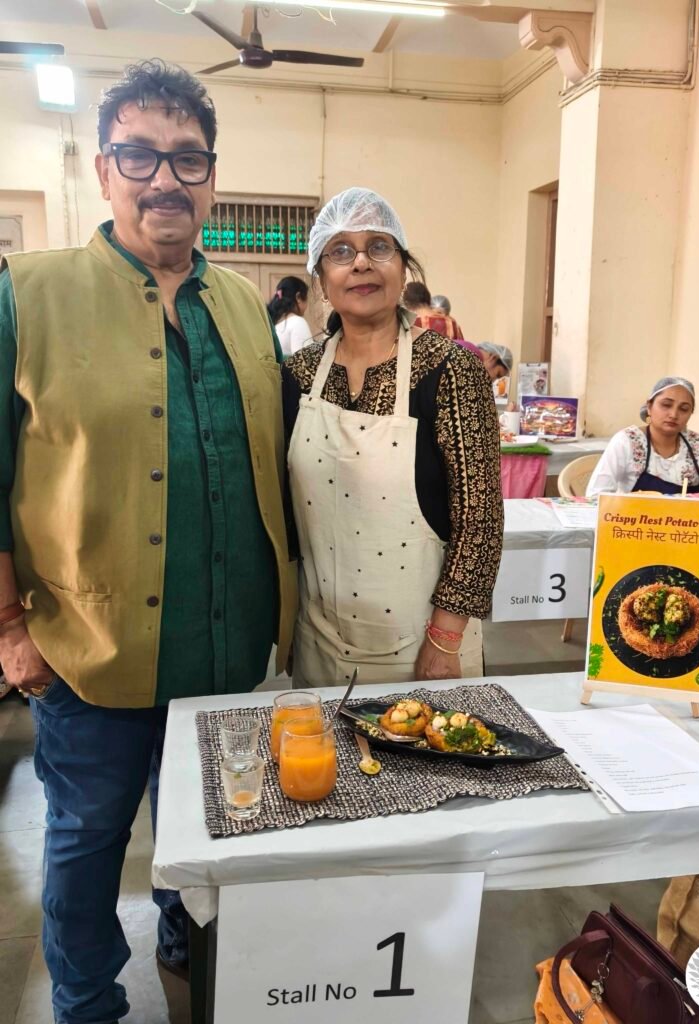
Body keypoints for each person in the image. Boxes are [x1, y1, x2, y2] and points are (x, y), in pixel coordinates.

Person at [0, 60, 296, 1024]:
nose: (164, 179)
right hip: (88, 652)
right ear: (102, 168)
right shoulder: (24, 295)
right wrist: (11, 626)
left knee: (201, 830)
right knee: (85, 847)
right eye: (139, 155)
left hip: (225, 647)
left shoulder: (247, 308)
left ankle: (185, 944)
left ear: (211, 175)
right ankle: (86, 1001)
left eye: (186, 158)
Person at [282, 187, 503, 686]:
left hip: (423, 645)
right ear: (320, 278)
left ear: (404, 268)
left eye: (378, 247)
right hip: (319, 639)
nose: (360, 263)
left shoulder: (451, 369)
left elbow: (481, 519)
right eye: (341, 251)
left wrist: (444, 640)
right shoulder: (298, 373)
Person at [586, 377, 699, 496]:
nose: (674, 414)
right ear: (649, 406)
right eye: (666, 405)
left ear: (690, 413)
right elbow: (597, 494)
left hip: (689, 525)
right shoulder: (627, 441)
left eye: (683, 409)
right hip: (636, 524)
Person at [268, 274, 314, 354]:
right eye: (306, 299)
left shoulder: (274, 323)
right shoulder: (298, 322)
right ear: (298, 297)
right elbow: (304, 361)